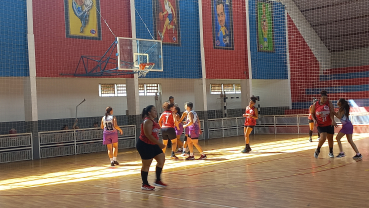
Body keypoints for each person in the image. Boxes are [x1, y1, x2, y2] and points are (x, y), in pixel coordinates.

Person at [137, 105, 167, 190]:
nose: (155, 111)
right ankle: (145, 184)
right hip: (144, 144)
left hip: (153, 144)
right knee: (146, 164)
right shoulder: (147, 122)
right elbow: (148, 135)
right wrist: (159, 143)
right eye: (154, 110)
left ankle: (158, 180)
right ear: (149, 112)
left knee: (161, 159)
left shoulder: (153, 121)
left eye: (155, 110)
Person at [312, 91, 337, 158]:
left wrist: (333, 120)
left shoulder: (329, 103)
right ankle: (318, 150)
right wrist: (314, 120)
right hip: (320, 124)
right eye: (324, 98)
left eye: (326, 98)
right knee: (323, 137)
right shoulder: (315, 104)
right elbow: (312, 113)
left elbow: (332, 112)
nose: (325, 100)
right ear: (320, 98)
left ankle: (331, 152)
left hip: (329, 123)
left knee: (330, 138)